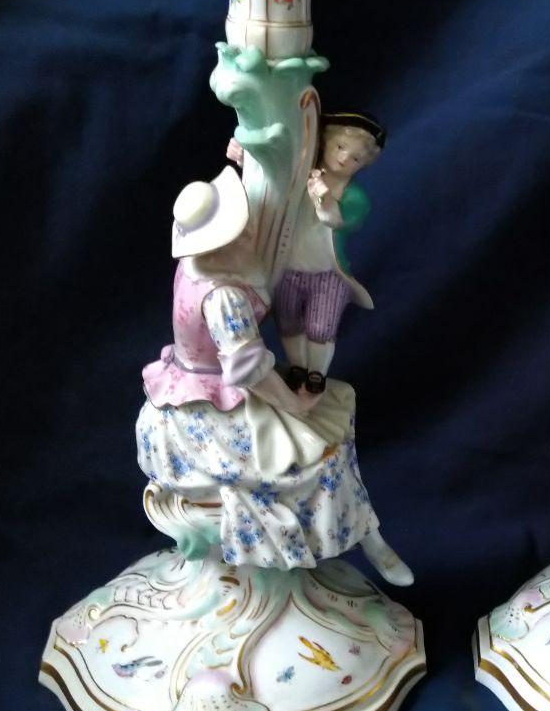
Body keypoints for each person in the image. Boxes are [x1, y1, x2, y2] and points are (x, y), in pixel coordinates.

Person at [138, 164, 413, 584]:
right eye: (237, 226)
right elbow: (248, 369)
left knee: (334, 407)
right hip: (207, 413)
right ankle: (364, 538)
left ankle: (368, 534)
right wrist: (293, 405)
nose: (249, 228)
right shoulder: (223, 296)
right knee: (319, 447)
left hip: (193, 390)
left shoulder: (196, 265)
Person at [229, 111, 383, 395]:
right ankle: (298, 367)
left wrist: (324, 198)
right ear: (325, 141)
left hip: (327, 274)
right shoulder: (299, 173)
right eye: (340, 147)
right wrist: (246, 159)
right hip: (287, 267)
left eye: (355, 158)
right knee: (288, 322)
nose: (344, 158)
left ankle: (316, 374)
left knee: (321, 327)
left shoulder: (355, 197)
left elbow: (334, 220)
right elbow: (270, 182)